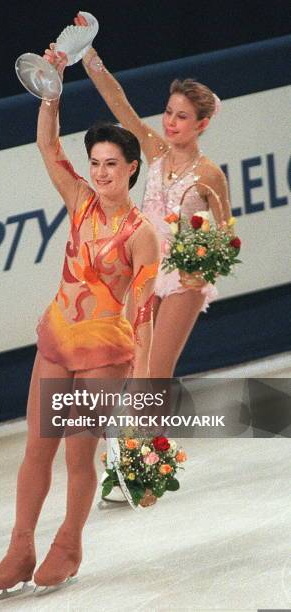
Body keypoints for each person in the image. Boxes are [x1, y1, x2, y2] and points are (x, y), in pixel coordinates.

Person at [0, 50, 160, 597]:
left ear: (132, 167)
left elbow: (144, 311)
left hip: (106, 353)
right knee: (37, 447)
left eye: (113, 163)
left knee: (77, 454)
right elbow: (47, 144)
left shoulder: (142, 235)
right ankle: (20, 545)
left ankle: (69, 542)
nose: (102, 172)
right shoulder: (79, 199)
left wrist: (146, 387)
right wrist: (52, 87)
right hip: (58, 338)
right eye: (97, 163)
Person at [74, 13, 233, 378]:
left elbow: (226, 235)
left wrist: (199, 266)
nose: (170, 122)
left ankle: (153, 438)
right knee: (136, 367)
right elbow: (119, 104)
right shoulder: (155, 152)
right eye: (168, 112)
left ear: (201, 124)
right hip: (145, 268)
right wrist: (88, 54)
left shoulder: (210, 175)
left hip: (183, 276)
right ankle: (141, 436)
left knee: (157, 369)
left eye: (182, 117)